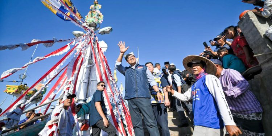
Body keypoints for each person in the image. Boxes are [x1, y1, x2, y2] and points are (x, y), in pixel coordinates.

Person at [167, 55, 242, 136]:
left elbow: (221, 99)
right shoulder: (195, 85)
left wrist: (229, 122)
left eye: (197, 65)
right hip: (199, 123)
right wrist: (172, 92)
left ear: (204, 66)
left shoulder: (210, 78)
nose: (194, 67)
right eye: (192, 66)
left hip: (211, 124)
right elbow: (185, 97)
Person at [115, 41, 161, 136]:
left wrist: (158, 92)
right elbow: (117, 65)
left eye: (132, 57)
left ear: (136, 58)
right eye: (128, 58)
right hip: (131, 99)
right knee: (136, 124)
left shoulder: (144, 68)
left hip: (143, 97)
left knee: (150, 122)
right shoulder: (126, 70)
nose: (131, 58)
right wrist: (121, 53)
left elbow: (152, 80)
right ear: (127, 61)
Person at [211, 59, 265, 135]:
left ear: (216, 66)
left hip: (248, 112)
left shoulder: (230, 72)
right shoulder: (216, 79)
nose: (207, 70)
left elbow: (243, 84)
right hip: (236, 113)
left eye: (209, 67)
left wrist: (227, 93)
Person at [145, 62, 170, 136]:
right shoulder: (143, 78)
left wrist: (166, 99)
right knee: (153, 126)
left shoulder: (160, 75)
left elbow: (164, 87)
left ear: (153, 67)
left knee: (163, 125)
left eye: (150, 66)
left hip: (160, 102)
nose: (149, 68)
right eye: (147, 67)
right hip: (148, 104)